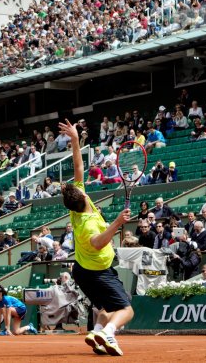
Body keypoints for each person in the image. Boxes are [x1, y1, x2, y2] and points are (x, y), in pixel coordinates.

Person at [59, 119, 133, 357]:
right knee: (126, 310)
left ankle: (97, 332)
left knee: (104, 307)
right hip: (98, 271)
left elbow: (78, 166)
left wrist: (75, 138)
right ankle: (109, 332)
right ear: (82, 195)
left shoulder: (76, 206)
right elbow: (97, 242)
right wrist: (117, 223)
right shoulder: (88, 224)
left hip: (81, 270)